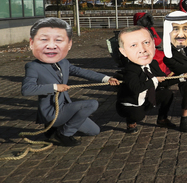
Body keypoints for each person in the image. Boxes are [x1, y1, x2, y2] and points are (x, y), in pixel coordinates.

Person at [22, 18, 120, 146]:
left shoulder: (63, 62)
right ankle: (63, 134)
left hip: (66, 108)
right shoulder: (33, 66)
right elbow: (26, 90)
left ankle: (54, 129)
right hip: (52, 112)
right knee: (91, 104)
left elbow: (82, 72)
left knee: (94, 131)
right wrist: (55, 87)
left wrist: (107, 79)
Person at [115, 26, 187, 134]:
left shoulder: (152, 63)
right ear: (124, 52)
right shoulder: (130, 68)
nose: (143, 50)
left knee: (167, 93)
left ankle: (162, 119)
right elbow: (136, 88)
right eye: (134, 45)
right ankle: (131, 121)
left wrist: (182, 77)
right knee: (138, 115)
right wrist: (154, 80)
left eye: (146, 43)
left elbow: (164, 80)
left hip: (146, 98)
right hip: (132, 103)